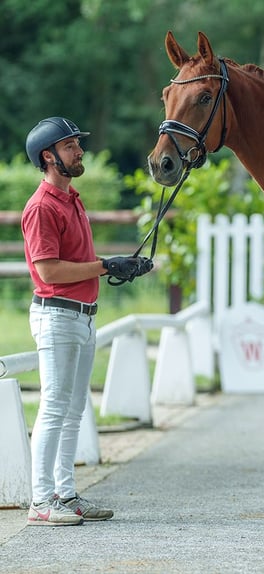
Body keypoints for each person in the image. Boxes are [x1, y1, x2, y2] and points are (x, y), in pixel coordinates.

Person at [22, 117, 153, 526]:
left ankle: (65, 493)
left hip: (83, 316)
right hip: (58, 316)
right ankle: (41, 501)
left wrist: (120, 267)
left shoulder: (72, 199)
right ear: (49, 157)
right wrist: (103, 266)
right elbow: (48, 272)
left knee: (74, 409)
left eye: (78, 143)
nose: (79, 150)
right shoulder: (42, 206)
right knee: (55, 407)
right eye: (70, 145)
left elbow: (77, 262)